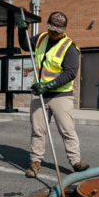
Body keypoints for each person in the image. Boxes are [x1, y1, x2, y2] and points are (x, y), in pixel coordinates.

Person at [18, 11, 89, 178]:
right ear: (48, 25)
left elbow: (70, 73)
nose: (54, 33)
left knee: (67, 130)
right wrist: (21, 31)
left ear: (63, 29)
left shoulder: (69, 47)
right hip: (39, 94)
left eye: (58, 30)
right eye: (51, 29)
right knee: (38, 130)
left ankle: (76, 161)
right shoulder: (41, 38)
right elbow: (25, 45)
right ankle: (35, 162)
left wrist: (49, 85)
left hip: (60, 95)